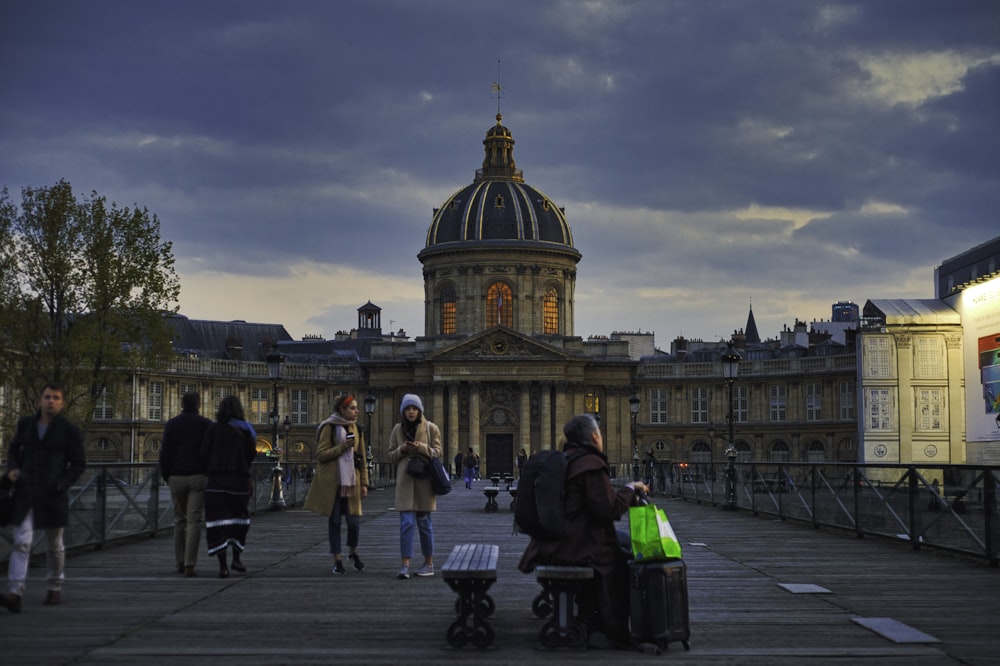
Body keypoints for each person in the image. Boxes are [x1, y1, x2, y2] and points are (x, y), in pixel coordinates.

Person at [518, 413, 648, 649]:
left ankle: (589, 617)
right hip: (573, 547)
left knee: (621, 543)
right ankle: (611, 629)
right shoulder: (590, 464)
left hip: (552, 543)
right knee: (622, 557)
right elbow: (609, 510)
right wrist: (630, 489)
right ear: (594, 436)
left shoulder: (564, 459)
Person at [2, 383, 86, 613]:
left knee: (55, 545)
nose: (50, 401)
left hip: (52, 493)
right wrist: (12, 468)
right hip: (26, 491)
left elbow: (78, 462)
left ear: (62, 402)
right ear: (40, 400)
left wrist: (62, 483)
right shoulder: (26, 424)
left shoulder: (69, 430)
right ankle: (15, 591)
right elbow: (14, 449)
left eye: (55, 397)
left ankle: (54, 584)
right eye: (47, 397)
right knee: (22, 541)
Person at [304, 394, 369, 574]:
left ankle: (353, 552)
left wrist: (364, 482)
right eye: (353, 408)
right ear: (342, 409)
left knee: (354, 522)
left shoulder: (357, 429)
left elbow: (361, 458)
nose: (357, 411)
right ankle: (337, 559)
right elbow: (321, 455)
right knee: (334, 522)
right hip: (333, 483)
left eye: (357, 408)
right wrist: (342, 447)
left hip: (352, 483)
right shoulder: (329, 427)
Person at [201, 396, 257, 579]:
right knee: (239, 520)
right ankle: (237, 558)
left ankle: (223, 566)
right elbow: (251, 455)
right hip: (238, 481)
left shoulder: (212, 429)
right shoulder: (246, 430)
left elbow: (204, 453)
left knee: (218, 523)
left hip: (216, 481)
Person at [388, 393, 442, 579]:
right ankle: (405, 564)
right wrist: (402, 449)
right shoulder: (397, 429)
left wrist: (420, 447)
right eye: (408, 408)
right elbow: (391, 455)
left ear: (419, 410)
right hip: (405, 482)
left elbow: (437, 452)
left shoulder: (430, 428)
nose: (411, 411)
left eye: (414, 408)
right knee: (406, 524)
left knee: (425, 525)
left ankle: (428, 563)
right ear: (403, 411)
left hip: (424, 482)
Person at [159, 392, 212, 577]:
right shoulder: (206, 424)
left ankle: (179, 561)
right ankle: (190, 564)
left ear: (182, 404)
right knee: (194, 520)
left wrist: (167, 475)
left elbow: (165, 453)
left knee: (179, 519)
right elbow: (210, 452)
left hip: (176, 476)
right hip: (198, 476)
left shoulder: (172, 424)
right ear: (198, 404)